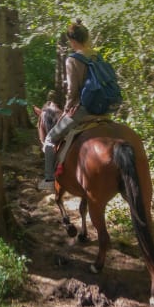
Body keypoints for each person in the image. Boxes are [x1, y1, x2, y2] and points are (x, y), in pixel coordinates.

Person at [38, 19, 98, 191]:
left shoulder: (73, 59)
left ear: (72, 41)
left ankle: (49, 181)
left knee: (49, 139)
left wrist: (67, 111)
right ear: (86, 38)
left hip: (83, 111)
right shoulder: (96, 56)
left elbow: (72, 90)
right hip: (103, 111)